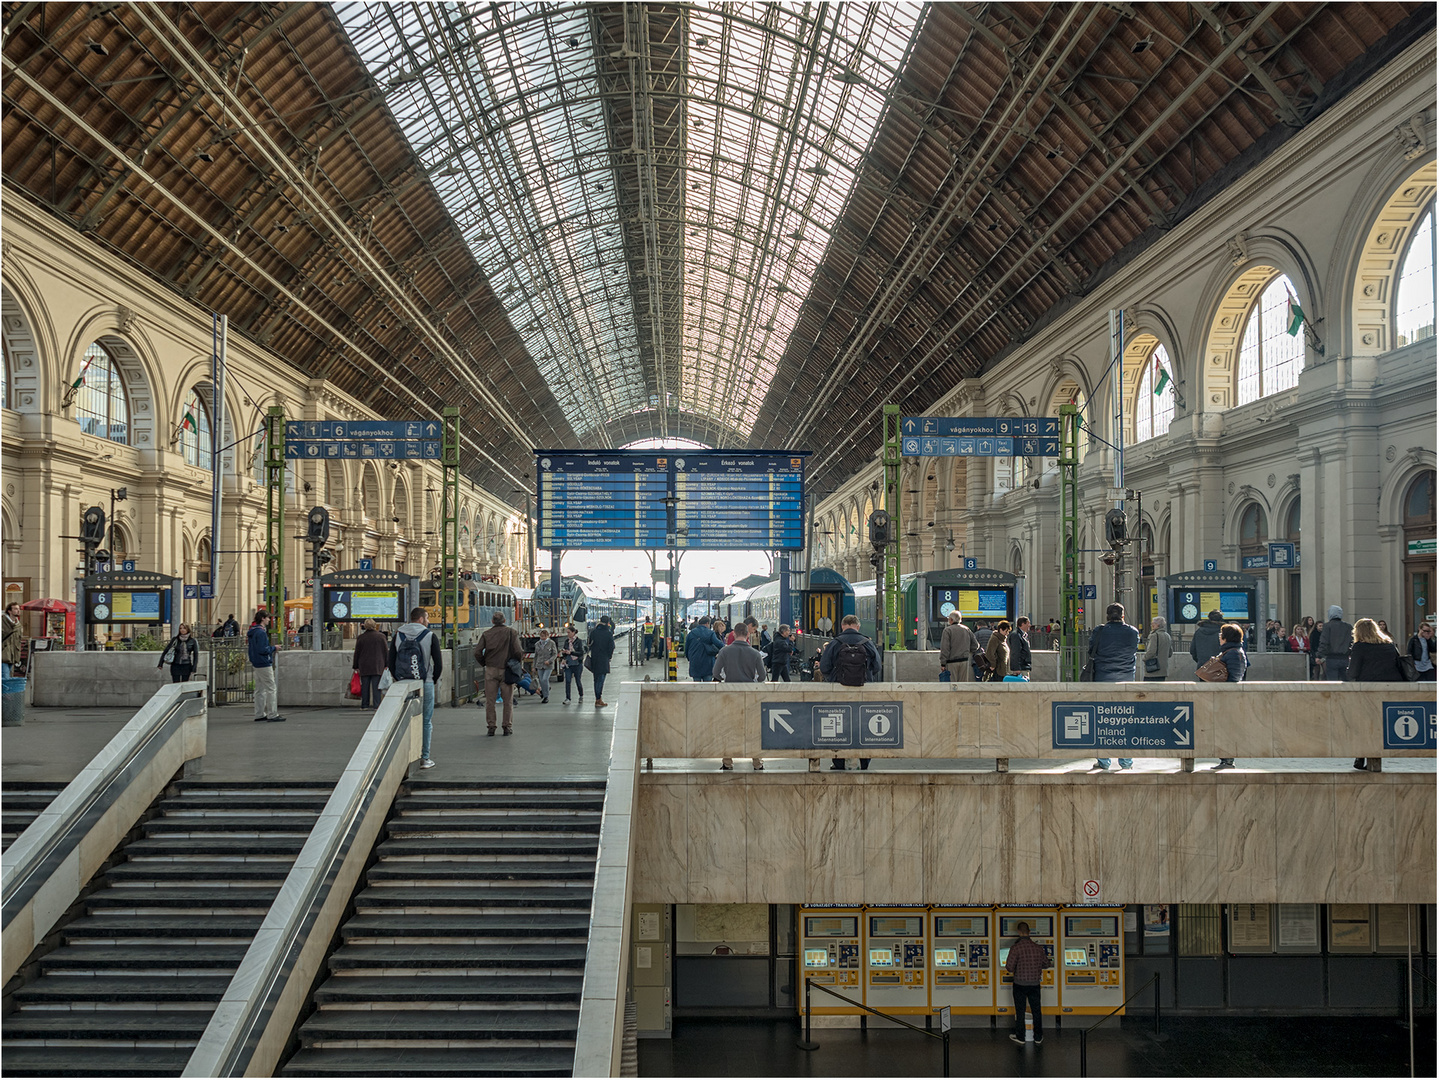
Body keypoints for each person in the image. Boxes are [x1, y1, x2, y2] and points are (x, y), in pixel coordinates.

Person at [819, 614, 882, 771]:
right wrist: (865, 677)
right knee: (863, 725)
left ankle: (839, 762)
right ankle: (864, 761)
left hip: (839, 692)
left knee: (839, 726)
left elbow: (824, 667)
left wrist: (835, 679)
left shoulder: (835, 643)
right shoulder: (867, 643)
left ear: (842, 626)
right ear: (858, 626)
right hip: (863, 691)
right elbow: (878, 666)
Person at [1349, 617, 1407, 769]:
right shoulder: (1389, 644)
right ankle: (1373, 756)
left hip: (1368, 690)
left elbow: (1353, 672)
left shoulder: (1359, 647)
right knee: (1383, 724)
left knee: (1365, 724)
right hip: (1390, 689)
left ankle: (1362, 756)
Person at [1089, 603, 1139, 770]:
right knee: (1126, 720)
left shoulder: (1099, 631)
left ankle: (1103, 761)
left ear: (1107, 616)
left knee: (1102, 721)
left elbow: (1091, 651)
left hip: (1102, 680)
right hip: (1126, 681)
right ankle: (1126, 762)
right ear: (1123, 616)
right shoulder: (1133, 632)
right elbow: (1133, 651)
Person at [391, 607, 444, 766]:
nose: (428, 621)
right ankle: (424, 757)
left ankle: (405, 757)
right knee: (426, 721)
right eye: (427, 618)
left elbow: (391, 661)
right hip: (425, 682)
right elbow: (438, 663)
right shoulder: (429, 635)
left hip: (404, 684)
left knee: (404, 720)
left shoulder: (398, 635)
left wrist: (398, 679)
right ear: (421, 619)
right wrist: (432, 680)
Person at [715, 622, 767, 771]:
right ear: (748, 634)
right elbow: (762, 677)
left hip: (730, 696)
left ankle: (727, 762)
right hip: (749, 696)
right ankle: (757, 762)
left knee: (729, 728)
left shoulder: (725, 651)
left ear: (734, 634)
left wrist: (727, 678)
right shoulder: (755, 653)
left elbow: (716, 673)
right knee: (753, 729)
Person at [1004, 920, 1052, 1046]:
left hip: (1019, 984)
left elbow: (1009, 967)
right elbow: (1047, 964)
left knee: (1020, 1011)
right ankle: (1038, 1037)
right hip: (1035, 984)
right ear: (1029, 932)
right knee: (1036, 1010)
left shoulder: (1015, 948)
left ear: (1019, 932)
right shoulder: (1038, 948)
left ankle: (1020, 1037)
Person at [476, 610, 523, 735]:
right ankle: (507, 727)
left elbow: (477, 652)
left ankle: (491, 727)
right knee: (507, 701)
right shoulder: (511, 632)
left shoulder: (486, 634)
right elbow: (518, 651)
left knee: (490, 700)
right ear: (504, 621)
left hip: (491, 670)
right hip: (507, 670)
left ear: (492, 621)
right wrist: (516, 663)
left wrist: (485, 662)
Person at [1211, 623, 1249, 770]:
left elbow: (1234, 677)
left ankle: (1227, 760)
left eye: (1221, 635)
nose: (1219, 638)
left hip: (1228, 698)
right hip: (1224, 696)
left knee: (1226, 728)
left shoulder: (1233, 653)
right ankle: (1225, 759)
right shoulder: (1230, 651)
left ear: (1227, 637)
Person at [247, 612, 284, 723]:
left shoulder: (252, 631)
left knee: (259, 689)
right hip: (264, 662)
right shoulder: (261, 633)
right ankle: (272, 714)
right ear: (263, 619)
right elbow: (263, 649)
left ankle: (259, 714)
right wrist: (274, 648)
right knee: (271, 688)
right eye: (268, 618)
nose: (269, 620)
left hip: (256, 662)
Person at [351, 619, 389, 708]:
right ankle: (377, 705)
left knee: (365, 687)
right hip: (377, 665)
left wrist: (355, 666)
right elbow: (385, 651)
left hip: (364, 665)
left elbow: (357, 652)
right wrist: (387, 664)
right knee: (376, 687)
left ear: (365, 626)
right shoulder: (381, 636)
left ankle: (365, 705)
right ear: (375, 625)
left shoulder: (361, 637)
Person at [938, 612, 977, 684]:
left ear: (951, 620)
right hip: (964, 661)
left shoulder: (948, 630)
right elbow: (975, 646)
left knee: (952, 686)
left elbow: (945, 648)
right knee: (963, 686)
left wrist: (943, 663)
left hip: (951, 662)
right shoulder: (967, 629)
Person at [1318, 605, 1354, 682]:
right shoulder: (1348, 626)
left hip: (1331, 658)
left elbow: (1324, 641)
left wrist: (1319, 655)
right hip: (1345, 658)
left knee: (1332, 682)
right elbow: (1352, 641)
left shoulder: (1327, 626)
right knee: (1345, 681)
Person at [588, 615, 615, 708]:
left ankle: (597, 698)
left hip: (594, 658)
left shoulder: (594, 632)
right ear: (608, 622)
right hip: (603, 659)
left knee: (596, 679)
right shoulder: (608, 633)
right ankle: (598, 699)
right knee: (601, 679)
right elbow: (611, 646)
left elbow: (589, 643)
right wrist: (609, 656)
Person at [686, 616, 722, 682]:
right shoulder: (710, 633)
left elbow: (686, 649)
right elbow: (719, 644)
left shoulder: (691, 633)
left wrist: (690, 659)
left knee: (696, 686)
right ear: (707, 623)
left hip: (695, 662)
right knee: (707, 686)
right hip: (707, 662)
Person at [532, 627, 557, 703]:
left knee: (545, 679)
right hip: (540, 665)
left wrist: (549, 661)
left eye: (544, 636)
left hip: (548, 665)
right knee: (541, 680)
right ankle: (545, 690)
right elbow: (536, 656)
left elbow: (555, 654)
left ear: (547, 636)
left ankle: (546, 696)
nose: (542, 638)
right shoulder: (537, 644)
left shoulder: (551, 643)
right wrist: (534, 666)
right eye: (541, 636)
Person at [561, 624, 585, 703]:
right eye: (567, 633)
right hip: (568, 664)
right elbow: (564, 652)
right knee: (567, 681)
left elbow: (581, 652)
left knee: (578, 680)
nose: (568, 634)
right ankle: (568, 698)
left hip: (577, 664)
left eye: (569, 632)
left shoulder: (579, 641)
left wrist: (571, 652)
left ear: (574, 632)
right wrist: (564, 654)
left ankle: (581, 695)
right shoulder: (566, 642)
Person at [1144, 616, 1173, 681]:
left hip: (1153, 669)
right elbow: (1170, 653)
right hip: (1163, 670)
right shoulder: (1167, 636)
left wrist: (1144, 658)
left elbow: (1151, 651)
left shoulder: (1154, 635)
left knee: (1147, 689)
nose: (1151, 625)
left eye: (1153, 623)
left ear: (1157, 625)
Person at [2, 602, 22, 678]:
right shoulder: (3, 621)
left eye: (18, 608)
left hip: (13, 655)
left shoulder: (18, 625)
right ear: (9, 611)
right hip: (4, 653)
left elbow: (18, 639)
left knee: (8, 677)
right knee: (5, 677)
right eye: (15, 609)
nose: (18, 610)